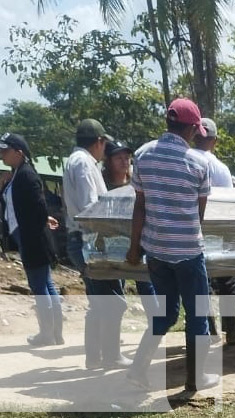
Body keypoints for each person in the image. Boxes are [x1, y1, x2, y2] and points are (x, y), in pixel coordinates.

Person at [126, 98, 219, 392]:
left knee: (165, 313)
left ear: (168, 123)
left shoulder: (143, 156)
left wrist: (133, 247)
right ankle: (195, 379)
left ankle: (138, 370)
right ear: (193, 129)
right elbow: (199, 213)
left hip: (156, 252)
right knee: (198, 313)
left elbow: (139, 207)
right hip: (189, 253)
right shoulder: (198, 163)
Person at [63, 119, 132, 370]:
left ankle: (95, 357)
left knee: (100, 303)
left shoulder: (79, 161)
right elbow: (90, 207)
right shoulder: (83, 164)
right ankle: (110, 356)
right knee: (113, 301)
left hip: (86, 239)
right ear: (99, 142)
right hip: (90, 239)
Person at [0, 133, 63, 346]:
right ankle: (55, 334)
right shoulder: (17, 174)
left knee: (40, 287)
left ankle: (48, 334)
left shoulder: (27, 175)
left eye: (5, 151)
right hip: (30, 238)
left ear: (19, 152)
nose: (1, 155)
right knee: (45, 284)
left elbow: (38, 206)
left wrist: (39, 226)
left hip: (33, 240)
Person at [193, 118, 235, 345]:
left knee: (201, 282)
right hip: (220, 230)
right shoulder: (221, 169)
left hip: (194, 229)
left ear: (194, 136)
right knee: (228, 281)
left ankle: (208, 330)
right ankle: (233, 330)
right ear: (214, 141)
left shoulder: (188, 161)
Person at [102, 140, 157, 315]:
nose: (125, 161)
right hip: (111, 240)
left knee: (145, 283)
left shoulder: (136, 181)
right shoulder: (102, 183)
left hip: (137, 238)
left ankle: (157, 323)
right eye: (119, 158)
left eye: (127, 157)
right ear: (109, 161)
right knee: (116, 283)